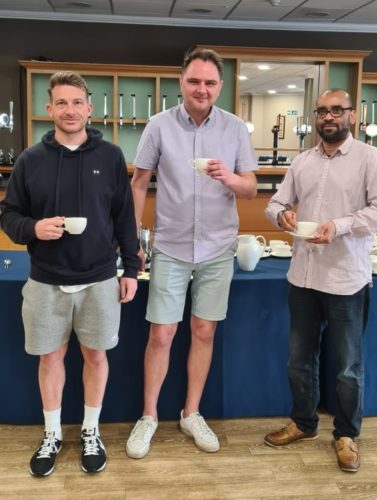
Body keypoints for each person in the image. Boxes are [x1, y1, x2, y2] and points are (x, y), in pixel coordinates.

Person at [0, 71, 139, 476]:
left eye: (77, 102)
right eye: (61, 103)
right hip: (45, 278)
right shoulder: (30, 160)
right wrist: (33, 229)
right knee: (51, 357)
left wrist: (130, 268)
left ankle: (90, 431)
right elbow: (9, 215)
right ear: (49, 110)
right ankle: (52, 434)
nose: (70, 110)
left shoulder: (110, 156)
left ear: (89, 109)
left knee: (96, 356)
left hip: (99, 277)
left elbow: (124, 217)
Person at [126, 47, 258, 458]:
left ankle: (191, 412)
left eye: (210, 82)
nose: (202, 89)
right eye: (194, 81)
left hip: (219, 248)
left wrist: (230, 178)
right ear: (181, 83)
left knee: (204, 331)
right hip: (171, 245)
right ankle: (148, 416)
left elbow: (251, 188)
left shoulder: (235, 128)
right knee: (161, 333)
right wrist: (133, 238)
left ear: (220, 87)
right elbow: (139, 182)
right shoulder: (159, 125)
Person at [264, 88, 377, 472]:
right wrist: (281, 217)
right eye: (322, 111)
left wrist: (340, 226)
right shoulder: (302, 162)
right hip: (303, 277)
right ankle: (304, 422)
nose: (329, 117)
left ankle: (346, 435)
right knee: (299, 360)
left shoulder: (369, 158)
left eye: (336, 110)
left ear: (351, 115)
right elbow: (275, 203)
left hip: (346, 279)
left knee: (348, 366)